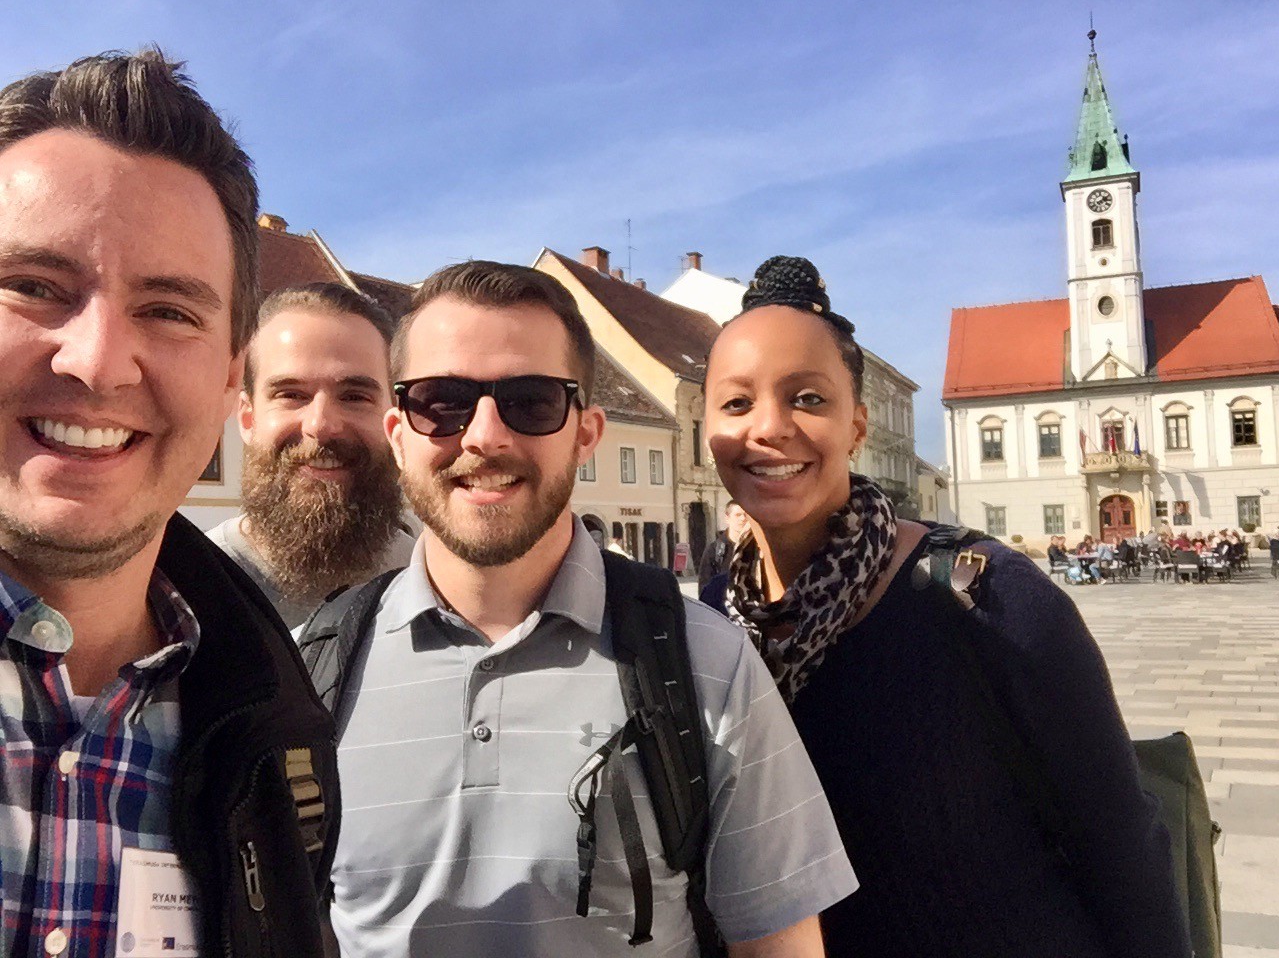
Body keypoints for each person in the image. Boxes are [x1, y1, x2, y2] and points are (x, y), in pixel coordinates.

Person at [326, 261, 855, 956]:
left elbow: (779, 945)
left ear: (585, 433)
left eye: (533, 401)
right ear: (398, 434)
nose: (484, 435)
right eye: (442, 401)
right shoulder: (320, 668)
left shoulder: (704, 661)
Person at [700, 255, 1189, 956]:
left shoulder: (982, 593)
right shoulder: (717, 617)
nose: (769, 426)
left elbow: (1121, 841)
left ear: (858, 426)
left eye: (808, 399)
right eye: (737, 403)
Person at [0, 51, 338, 957]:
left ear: (232, 378)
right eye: (34, 287)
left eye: (170, 310)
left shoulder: (280, 750)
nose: (99, 361)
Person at [208, 282, 416, 627]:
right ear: (247, 417)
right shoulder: (190, 591)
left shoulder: (429, 582)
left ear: (393, 419)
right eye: (291, 394)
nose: (320, 425)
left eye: (354, 397)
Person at [697, 499, 750, 589]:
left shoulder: (757, 547)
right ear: (727, 518)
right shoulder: (714, 550)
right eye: (738, 515)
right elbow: (705, 587)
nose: (743, 518)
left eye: (746, 515)